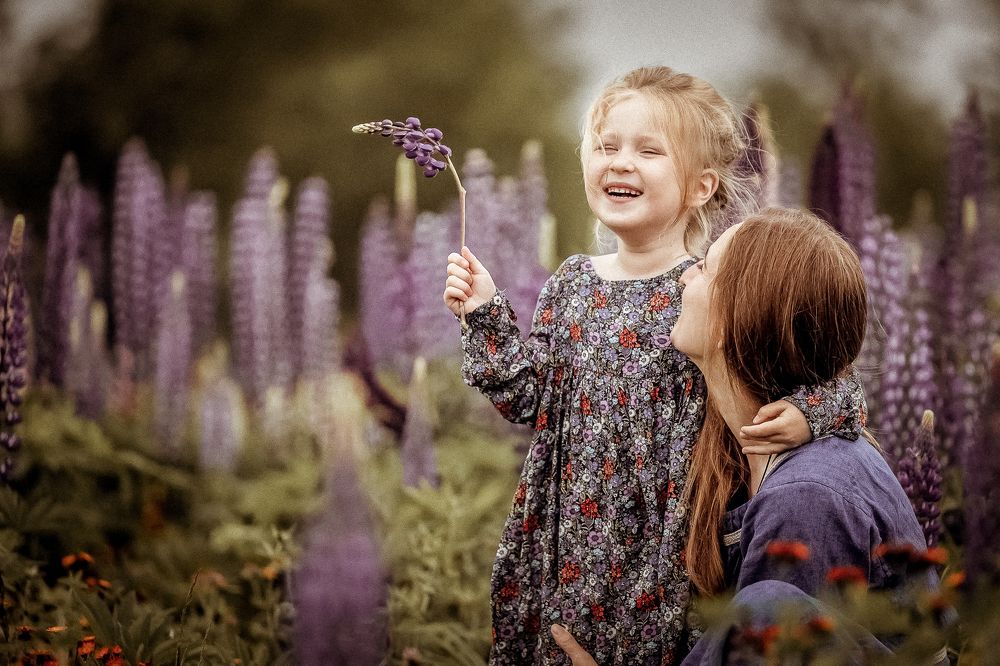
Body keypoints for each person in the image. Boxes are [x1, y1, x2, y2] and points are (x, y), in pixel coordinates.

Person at [443, 68, 865, 665]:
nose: (620, 163)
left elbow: (826, 380)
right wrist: (486, 312)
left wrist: (807, 412)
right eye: (605, 146)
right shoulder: (571, 283)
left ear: (701, 186)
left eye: (648, 151)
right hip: (567, 542)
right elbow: (527, 396)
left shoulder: (709, 289)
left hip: (668, 545)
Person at [552, 208, 945, 665]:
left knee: (766, 605)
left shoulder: (804, 499)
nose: (682, 278)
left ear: (732, 321)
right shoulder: (748, 441)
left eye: (703, 269)